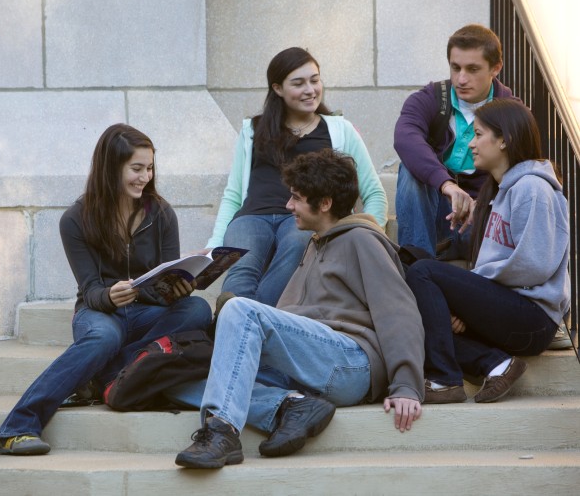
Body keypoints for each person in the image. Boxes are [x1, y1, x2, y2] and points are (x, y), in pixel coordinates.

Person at [174, 148, 424, 469]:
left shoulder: (363, 240)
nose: (288, 206)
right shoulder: (315, 243)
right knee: (178, 378)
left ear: (324, 203)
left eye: (296, 198)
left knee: (239, 309)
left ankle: (222, 432)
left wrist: (406, 384)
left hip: (349, 363)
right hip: (309, 368)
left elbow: (398, 312)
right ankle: (288, 407)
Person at [0, 124, 212, 455]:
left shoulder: (162, 214)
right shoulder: (76, 219)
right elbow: (90, 289)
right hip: (98, 313)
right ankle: (18, 426)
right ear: (111, 168)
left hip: (146, 312)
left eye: (150, 168)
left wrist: (180, 286)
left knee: (197, 310)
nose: (145, 177)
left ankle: (101, 375)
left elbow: (165, 283)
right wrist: (110, 296)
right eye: (136, 168)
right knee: (104, 337)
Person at [405, 99, 570, 405]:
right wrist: (467, 303)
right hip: (509, 311)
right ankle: (497, 365)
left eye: (478, 134)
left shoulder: (532, 188)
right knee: (416, 293)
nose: (471, 144)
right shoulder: (497, 191)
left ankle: (443, 379)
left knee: (424, 272)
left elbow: (535, 265)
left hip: (533, 319)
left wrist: (474, 292)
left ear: (504, 139)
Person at [207, 47, 387, 308]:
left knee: (295, 252)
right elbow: (233, 194)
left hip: (304, 218)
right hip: (252, 217)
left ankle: (237, 318)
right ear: (278, 88)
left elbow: (374, 193)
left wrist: (370, 234)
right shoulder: (252, 129)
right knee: (241, 268)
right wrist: (213, 245)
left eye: (315, 80)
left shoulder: (339, 129)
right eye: (299, 83)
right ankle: (241, 317)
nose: (310, 90)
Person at [393, 24, 514, 258]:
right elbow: (404, 138)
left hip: (482, 223)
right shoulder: (431, 97)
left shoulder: (512, 112)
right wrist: (446, 184)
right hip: (436, 217)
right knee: (408, 169)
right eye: (455, 67)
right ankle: (416, 265)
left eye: (473, 69)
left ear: (496, 68)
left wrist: (485, 204)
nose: (461, 78)